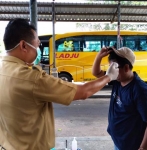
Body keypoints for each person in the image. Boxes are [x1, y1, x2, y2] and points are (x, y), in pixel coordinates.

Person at [0, 18, 119, 150]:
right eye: (37, 44)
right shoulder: (31, 78)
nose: (38, 49)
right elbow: (83, 92)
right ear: (23, 45)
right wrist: (109, 76)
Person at [92, 46, 147, 150]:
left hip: (131, 145)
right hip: (119, 141)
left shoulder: (140, 91)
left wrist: (143, 148)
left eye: (113, 67)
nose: (110, 71)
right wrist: (99, 56)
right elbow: (96, 73)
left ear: (126, 68)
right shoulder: (117, 79)